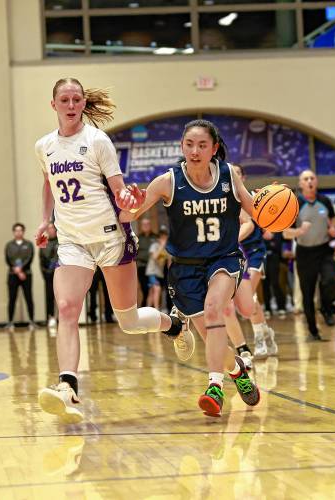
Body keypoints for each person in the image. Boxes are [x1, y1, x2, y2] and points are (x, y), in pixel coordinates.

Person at [32, 78, 186, 424]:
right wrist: (45, 221)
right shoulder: (44, 146)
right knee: (67, 309)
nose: (71, 105)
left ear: (84, 103)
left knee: (128, 321)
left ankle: (172, 324)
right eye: (65, 99)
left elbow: (119, 190)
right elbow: (47, 183)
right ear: (53, 104)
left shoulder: (98, 141)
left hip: (110, 237)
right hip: (72, 242)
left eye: (76, 99)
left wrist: (128, 198)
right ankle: (67, 386)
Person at [119, 119, 261, 417]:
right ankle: (237, 372)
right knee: (212, 338)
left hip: (223, 260)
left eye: (202, 145)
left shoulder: (229, 176)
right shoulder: (168, 181)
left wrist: (275, 208)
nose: (195, 151)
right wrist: (128, 202)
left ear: (214, 149)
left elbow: (255, 212)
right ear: (181, 147)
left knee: (214, 310)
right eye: (189, 144)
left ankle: (214, 387)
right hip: (185, 269)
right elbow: (128, 214)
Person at [223, 164, 277, 365]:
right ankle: (265, 333)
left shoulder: (251, 198)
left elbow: (262, 219)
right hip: (231, 254)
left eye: (237, 173)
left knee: (249, 299)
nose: (233, 176)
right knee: (241, 304)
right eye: (231, 173)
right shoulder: (223, 196)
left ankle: (260, 339)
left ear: (242, 178)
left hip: (253, 252)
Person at [285, 169, 335, 340]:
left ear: (316, 181)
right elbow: (286, 233)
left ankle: (326, 307)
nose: (309, 181)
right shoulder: (295, 205)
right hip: (305, 253)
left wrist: (332, 227)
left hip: (323, 249)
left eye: (312, 178)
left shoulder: (324, 201)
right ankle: (313, 331)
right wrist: (299, 231)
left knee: (330, 279)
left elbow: (332, 218)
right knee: (307, 294)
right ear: (300, 184)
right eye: (305, 179)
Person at [4, 223, 35, 332]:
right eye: (16, 230)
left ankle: (31, 321)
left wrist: (21, 269)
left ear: (23, 232)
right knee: (12, 299)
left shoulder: (29, 244)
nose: (18, 232)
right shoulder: (9, 245)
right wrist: (16, 270)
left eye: (20, 230)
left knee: (28, 298)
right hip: (13, 275)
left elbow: (30, 258)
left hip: (26, 274)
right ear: (13, 232)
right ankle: (10, 322)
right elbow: (8, 259)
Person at [39, 222, 59, 330]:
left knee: (60, 298)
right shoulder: (42, 241)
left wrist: (54, 269)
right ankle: (50, 317)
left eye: (52, 228)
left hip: (58, 273)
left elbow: (58, 257)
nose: (50, 230)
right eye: (48, 229)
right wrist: (45, 272)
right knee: (49, 297)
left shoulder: (60, 240)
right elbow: (41, 259)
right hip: (47, 275)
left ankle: (60, 318)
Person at [145, 226, 168, 310]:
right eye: (163, 237)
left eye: (165, 237)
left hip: (160, 273)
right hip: (152, 272)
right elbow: (154, 257)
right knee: (157, 289)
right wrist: (162, 246)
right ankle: (156, 310)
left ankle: (147, 310)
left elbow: (166, 260)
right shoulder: (154, 245)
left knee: (151, 292)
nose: (164, 239)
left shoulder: (165, 248)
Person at [135, 218, 155, 307]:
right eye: (144, 225)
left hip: (154, 267)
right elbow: (135, 254)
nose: (146, 226)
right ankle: (145, 306)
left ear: (150, 226)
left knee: (154, 288)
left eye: (148, 224)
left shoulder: (155, 237)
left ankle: (153, 307)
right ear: (141, 226)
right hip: (142, 267)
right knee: (145, 288)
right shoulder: (137, 238)